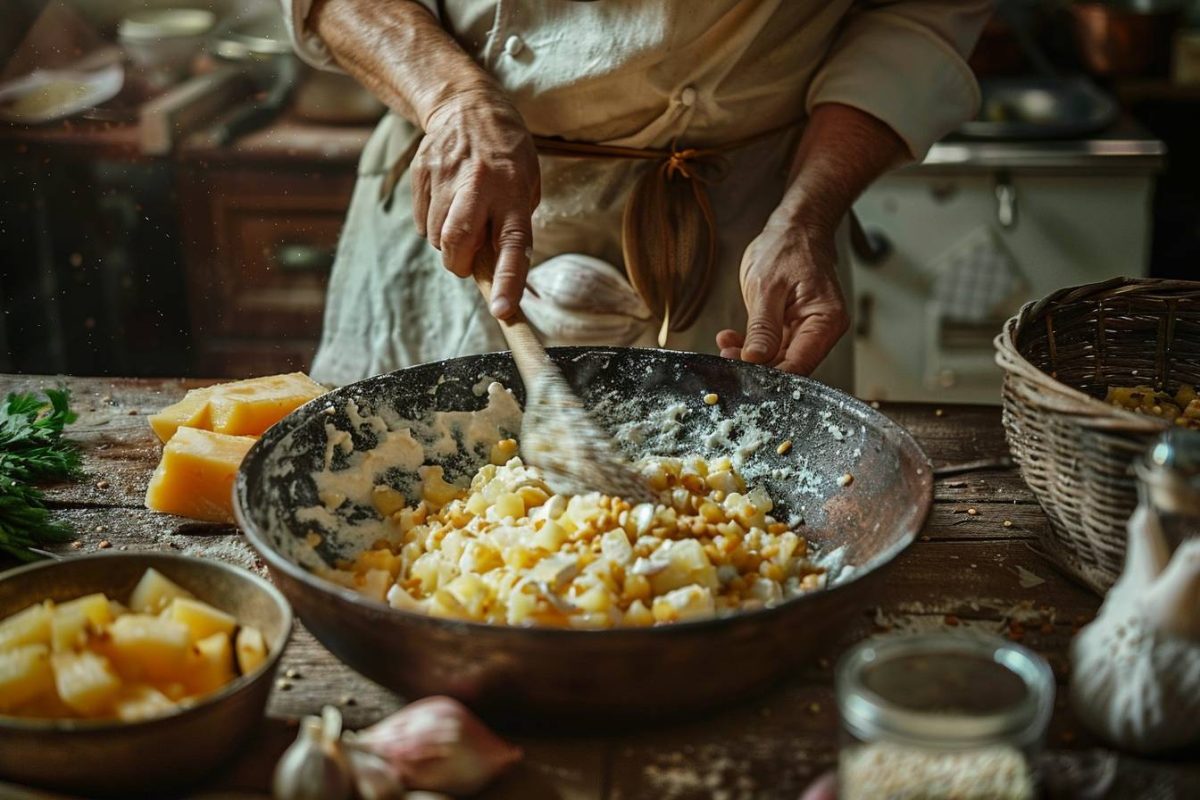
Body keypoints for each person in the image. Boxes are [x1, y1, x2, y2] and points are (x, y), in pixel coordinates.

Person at [281, 0, 991, 389]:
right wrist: (451, 98)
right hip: (466, 179)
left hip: (749, 225)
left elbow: (914, 19)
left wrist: (807, 215)